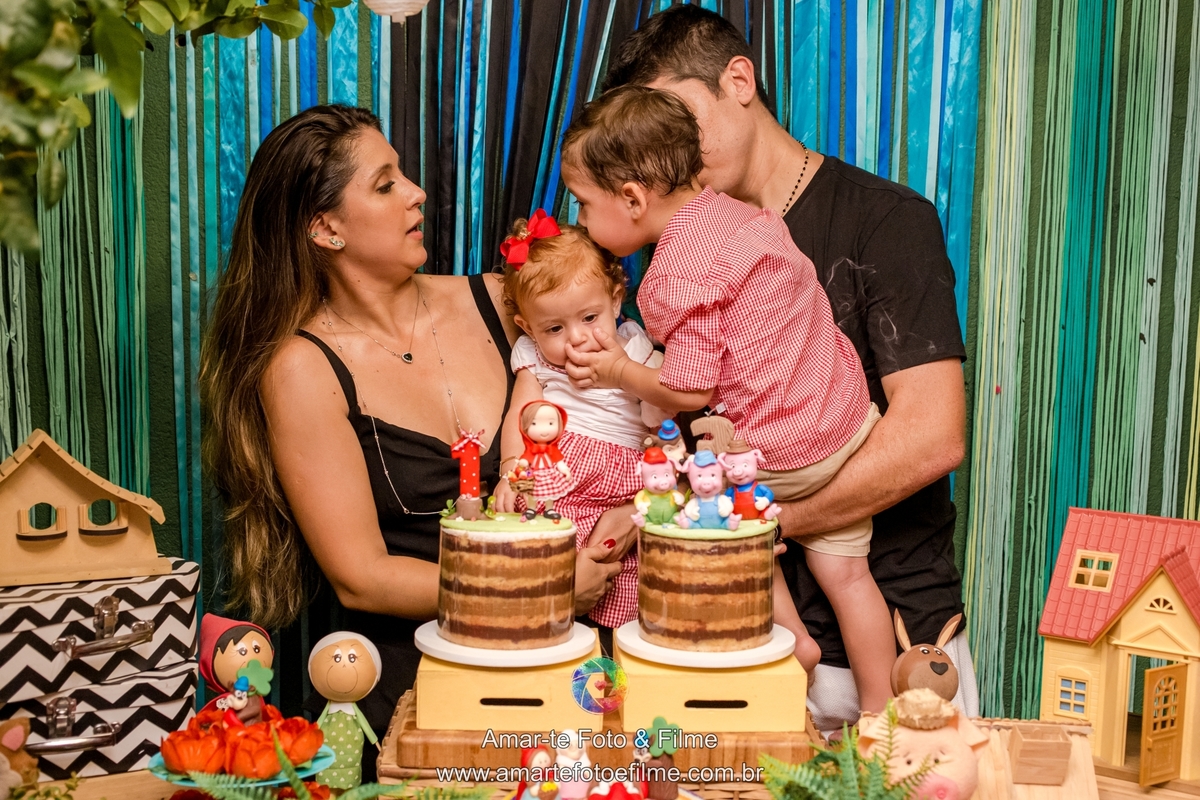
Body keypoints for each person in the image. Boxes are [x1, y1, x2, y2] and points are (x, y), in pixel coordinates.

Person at [200, 105, 627, 775]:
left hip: (562, 671)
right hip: (422, 690)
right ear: (325, 227)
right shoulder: (304, 369)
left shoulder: (501, 303)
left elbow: (621, 429)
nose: (416, 192)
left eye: (403, 174)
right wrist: (533, 589)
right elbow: (361, 576)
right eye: (384, 183)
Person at [601, 5, 975, 732]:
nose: (663, 151)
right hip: (736, 651)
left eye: (675, 119)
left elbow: (933, 438)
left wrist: (757, 530)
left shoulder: (884, 219)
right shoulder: (677, 249)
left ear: (738, 79)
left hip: (893, 647)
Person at [560, 86, 895, 713]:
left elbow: (690, 388)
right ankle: (880, 719)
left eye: (582, 203)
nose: (580, 219)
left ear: (632, 199)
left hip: (780, 455)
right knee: (851, 578)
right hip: (841, 423)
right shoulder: (742, 215)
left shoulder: (677, 273)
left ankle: (792, 639)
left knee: (707, 507)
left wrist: (616, 370)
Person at [493, 215, 666, 628]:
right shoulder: (534, 358)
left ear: (615, 299)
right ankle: (549, 615)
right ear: (528, 328)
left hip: (624, 479)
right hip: (557, 467)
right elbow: (520, 415)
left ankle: (614, 638)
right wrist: (508, 471)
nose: (576, 338)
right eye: (554, 327)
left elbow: (659, 411)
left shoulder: (635, 348)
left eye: (589, 318)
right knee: (537, 529)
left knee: (630, 569)